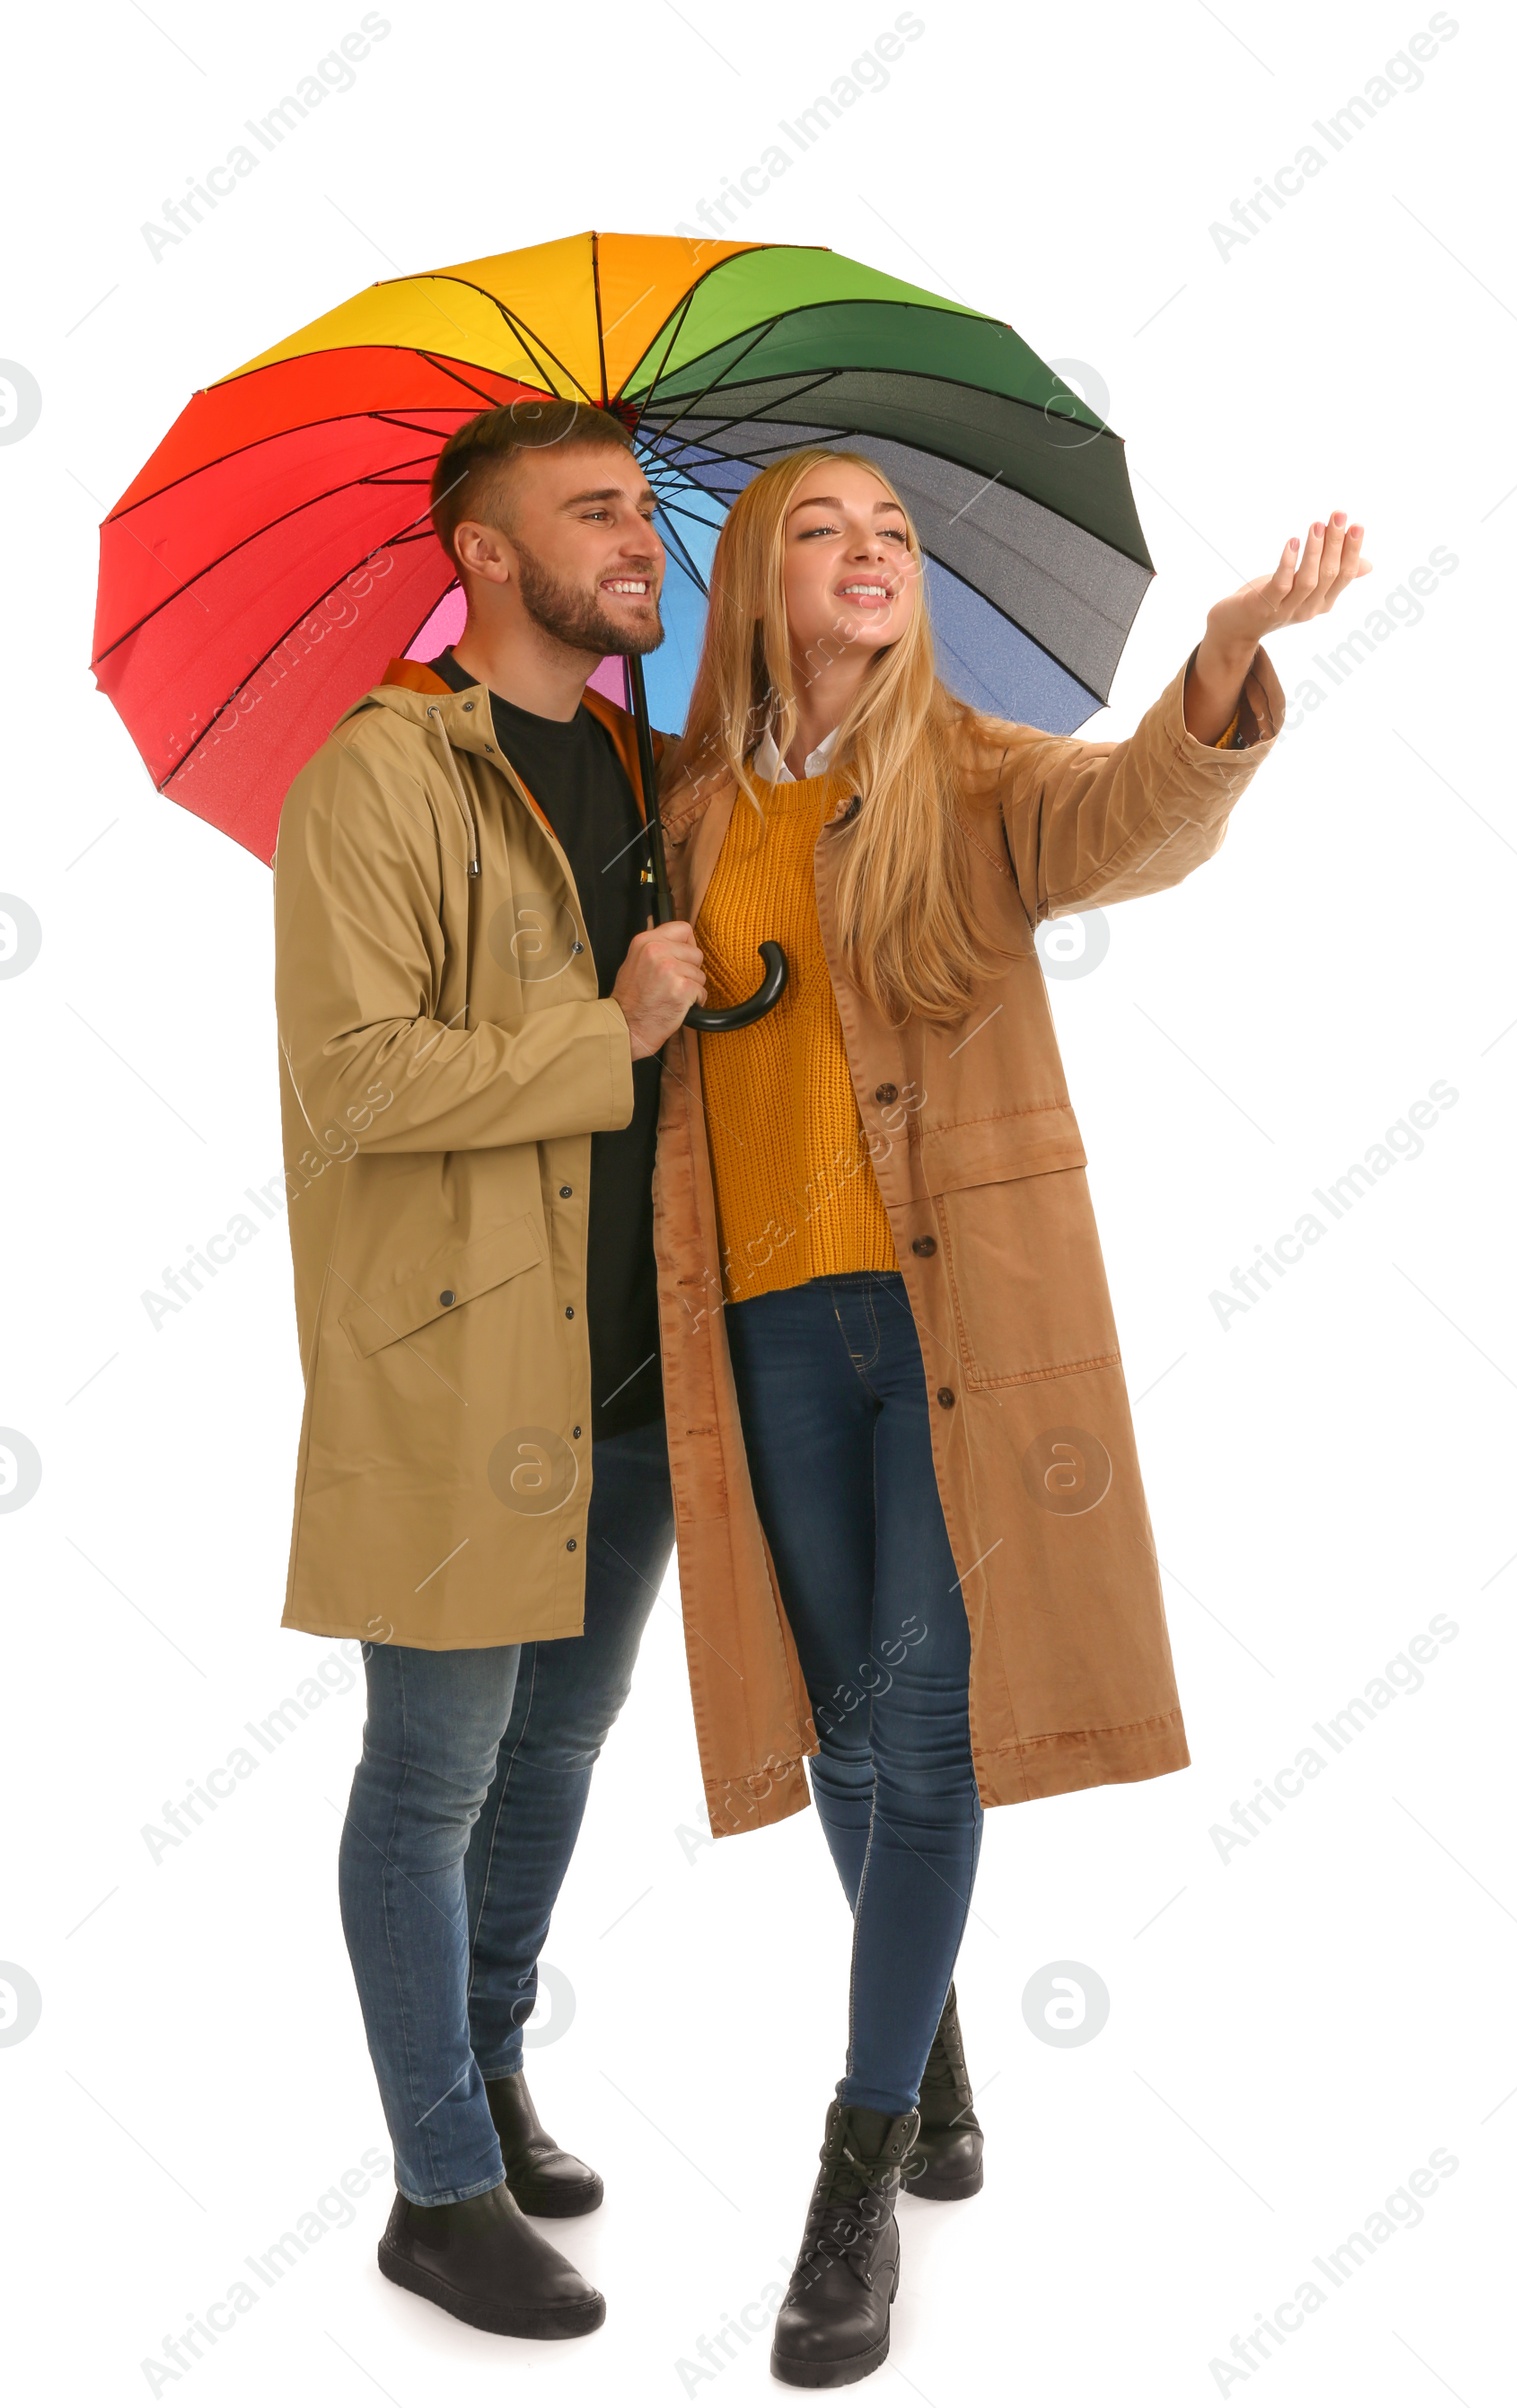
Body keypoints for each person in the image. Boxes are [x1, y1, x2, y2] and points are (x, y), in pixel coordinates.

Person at [652, 448, 1369, 2387]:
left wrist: (1221, 658)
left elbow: (1132, 814)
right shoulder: (686, 808)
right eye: (823, 529)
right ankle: (938, 2059)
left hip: (948, 1318)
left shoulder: (975, 776)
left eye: (891, 532)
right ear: (755, 591)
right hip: (766, 1325)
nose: (870, 553)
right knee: (838, 1742)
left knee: (928, 1730)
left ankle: (855, 2168)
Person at [271, 398, 705, 2340]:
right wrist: (605, 1025)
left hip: (631, 1373)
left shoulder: (647, 762)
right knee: (430, 1781)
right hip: (459, 1376)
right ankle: (435, 2188)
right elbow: (353, 1082)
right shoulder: (378, 775)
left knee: (558, 1753)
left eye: (643, 507)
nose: (637, 538)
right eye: (591, 510)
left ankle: (490, 2069)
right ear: (483, 552)